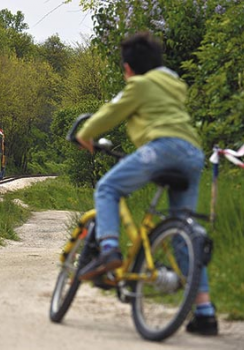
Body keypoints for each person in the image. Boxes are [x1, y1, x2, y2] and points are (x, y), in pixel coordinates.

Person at [75, 32, 218, 336]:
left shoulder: (139, 85)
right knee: (183, 230)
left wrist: (85, 134)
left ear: (127, 68)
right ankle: (204, 312)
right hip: (193, 155)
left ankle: (110, 250)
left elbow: (110, 113)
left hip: (161, 149)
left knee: (108, 188)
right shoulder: (174, 85)